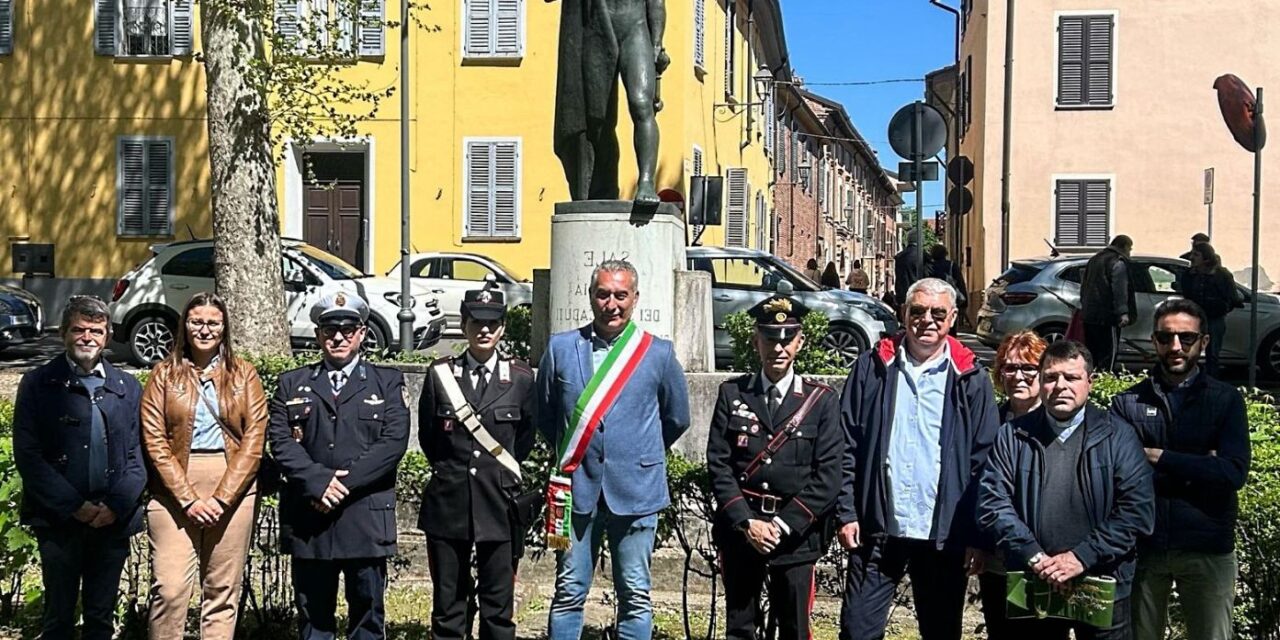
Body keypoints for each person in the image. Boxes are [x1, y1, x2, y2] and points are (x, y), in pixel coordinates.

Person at [835, 277, 1002, 640]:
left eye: (938, 312)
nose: (927, 319)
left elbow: (984, 462)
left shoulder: (971, 376)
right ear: (903, 313)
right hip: (877, 528)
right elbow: (847, 442)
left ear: (953, 317)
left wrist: (977, 535)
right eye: (918, 310)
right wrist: (847, 512)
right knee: (856, 630)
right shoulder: (871, 367)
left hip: (944, 535)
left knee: (941, 633)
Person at [536, 259, 691, 640]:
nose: (612, 304)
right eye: (603, 294)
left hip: (636, 490)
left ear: (635, 298)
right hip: (576, 490)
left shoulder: (658, 353)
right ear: (591, 297)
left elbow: (677, 418)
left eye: (621, 295)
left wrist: (638, 454)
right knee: (569, 592)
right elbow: (544, 414)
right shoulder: (560, 348)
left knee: (635, 594)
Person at [978, 340, 1154, 638]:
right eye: (1050, 377)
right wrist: (1035, 556)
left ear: (1090, 382)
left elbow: (1137, 510)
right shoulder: (1013, 435)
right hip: (1033, 579)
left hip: (1102, 581)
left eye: (1071, 377)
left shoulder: (1118, 435)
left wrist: (1081, 557)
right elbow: (993, 502)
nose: (1060, 386)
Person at [268, 292, 410, 640]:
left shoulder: (387, 382)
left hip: (363, 517)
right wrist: (318, 482)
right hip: (311, 518)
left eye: (348, 329)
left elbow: (392, 443)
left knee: (367, 616)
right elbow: (281, 442)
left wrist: (341, 485)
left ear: (362, 333)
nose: (338, 337)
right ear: (318, 334)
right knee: (314, 620)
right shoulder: (292, 383)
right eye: (330, 329)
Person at [1109, 299, 1251, 640]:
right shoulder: (1128, 402)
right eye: (1166, 337)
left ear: (1204, 342)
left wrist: (1158, 456)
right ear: (1154, 341)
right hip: (1146, 546)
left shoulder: (1225, 399)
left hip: (1207, 545)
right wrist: (1204, 463)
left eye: (1186, 338)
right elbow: (1119, 475)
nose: (1175, 346)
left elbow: (1232, 473)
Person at [707, 292, 844, 640]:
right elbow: (719, 465)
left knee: (795, 628)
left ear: (800, 342)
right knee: (740, 627)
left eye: (787, 340)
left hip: (795, 537)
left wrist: (782, 526)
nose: (778, 348)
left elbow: (828, 476)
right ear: (756, 341)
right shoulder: (733, 394)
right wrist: (746, 522)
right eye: (770, 338)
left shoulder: (820, 401)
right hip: (743, 533)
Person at [12, 295, 146, 640]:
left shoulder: (127, 387)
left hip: (110, 520)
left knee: (100, 617)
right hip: (59, 520)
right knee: (58, 616)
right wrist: (74, 506)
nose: (87, 337)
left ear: (107, 335)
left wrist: (116, 506)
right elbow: (28, 455)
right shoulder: (38, 384)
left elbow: (138, 455)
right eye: (79, 330)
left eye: (96, 331)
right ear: (64, 333)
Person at [141, 292, 268, 639]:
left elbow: (254, 441)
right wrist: (188, 499)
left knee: (222, 591)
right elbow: (154, 441)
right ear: (184, 325)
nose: (205, 329)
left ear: (225, 328)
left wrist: (222, 498)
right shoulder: (163, 375)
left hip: (233, 486)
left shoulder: (245, 375)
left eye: (213, 322)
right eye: (197, 321)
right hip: (173, 488)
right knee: (169, 588)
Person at [418, 282, 537, 640]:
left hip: (498, 505)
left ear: (502, 327)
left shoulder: (520, 379)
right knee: (448, 607)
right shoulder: (440, 375)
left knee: (498, 608)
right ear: (464, 325)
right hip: (449, 503)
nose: (484, 330)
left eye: (492, 323)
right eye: (476, 322)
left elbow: (524, 440)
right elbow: (430, 438)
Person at [553, 0, 669, 204]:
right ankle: (603, 188)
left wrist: (657, 44)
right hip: (596, 30)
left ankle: (646, 182)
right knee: (598, 119)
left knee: (641, 104)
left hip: (635, 27)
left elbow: (656, 2)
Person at [976, 330, 1049, 639]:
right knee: (1002, 631)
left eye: (1028, 368)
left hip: (1046, 557)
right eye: (1010, 367)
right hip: (998, 558)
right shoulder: (989, 419)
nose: (1018, 376)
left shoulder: (1056, 422)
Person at [1174, 242, 1241, 376]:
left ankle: (1210, 382)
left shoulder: (1221, 275)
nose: (1192, 258)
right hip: (1194, 319)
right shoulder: (1189, 275)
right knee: (1188, 351)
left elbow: (1233, 298)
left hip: (1214, 319)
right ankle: (1188, 379)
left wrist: (1221, 309)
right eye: (1192, 254)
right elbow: (1186, 295)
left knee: (1213, 354)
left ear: (1206, 258)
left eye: (1196, 255)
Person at [1080, 235, 1136, 372]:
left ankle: (1091, 379)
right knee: (1108, 352)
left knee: (1092, 351)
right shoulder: (1117, 262)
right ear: (1123, 247)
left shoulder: (1094, 259)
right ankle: (1105, 379)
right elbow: (1119, 289)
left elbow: (1084, 285)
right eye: (1129, 249)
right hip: (1107, 316)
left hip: (1089, 315)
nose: (1130, 252)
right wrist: (1123, 312)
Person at [928, 244, 968, 311]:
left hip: (933, 298)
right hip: (949, 298)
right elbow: (960, 283)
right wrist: (964, 302)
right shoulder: (952, 266)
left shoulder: (929, 267)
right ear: (945, 254)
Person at [893, 231, 926, 305]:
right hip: (920, 296)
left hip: (903, 297)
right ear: (921, 240)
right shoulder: (924, 256)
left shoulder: (900, 257)